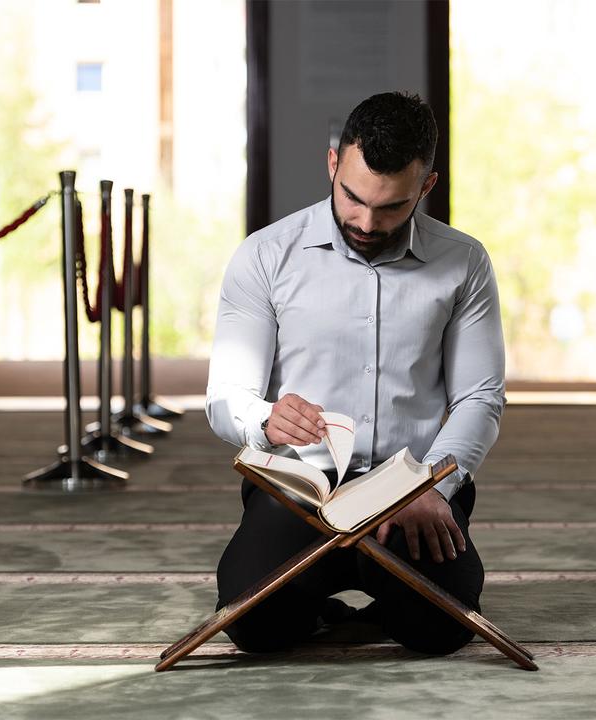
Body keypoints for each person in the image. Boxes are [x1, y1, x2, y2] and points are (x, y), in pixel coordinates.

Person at [205, 91, 505, 656]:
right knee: (255, 629)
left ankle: (381, 594)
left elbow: (480, 397)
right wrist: (267, 420)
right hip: (301, 492)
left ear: (426, 187)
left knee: (441, 630)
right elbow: (226, 397)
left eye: (392, 207)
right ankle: (324, 600)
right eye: (354, 198)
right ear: (333, 165)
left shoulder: (463, 262)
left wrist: (433, 485)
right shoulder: (265, 256)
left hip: (412, 493)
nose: (367, 221)